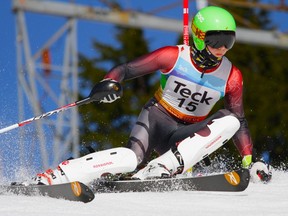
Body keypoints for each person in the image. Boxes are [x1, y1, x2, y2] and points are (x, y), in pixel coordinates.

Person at [25, 6, 270, 185]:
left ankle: (161, 167)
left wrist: (250, 161)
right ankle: (59, 174)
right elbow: (126, 69)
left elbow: (240, 121)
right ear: (198, 36)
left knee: (231, 120)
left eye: (229, 41)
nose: (222, 49)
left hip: (188, 134)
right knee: (130, 158)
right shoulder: (173, 56)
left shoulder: (232, 75)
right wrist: (110, 82)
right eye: (216, 41)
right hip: (157, 119)